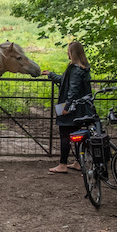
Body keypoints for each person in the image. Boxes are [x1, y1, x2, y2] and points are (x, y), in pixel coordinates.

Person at [41, 41, 93, 174]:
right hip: (81, 107)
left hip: (71, 107)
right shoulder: (82, 68)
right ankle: (77, 162)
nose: (67, 54)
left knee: (65, 134)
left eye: (68, 52)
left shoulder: (75, 69)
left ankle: (62, 164)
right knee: (77, 134)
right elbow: (65, 81)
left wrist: (67, 107)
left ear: (73, 53)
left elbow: (73, 89)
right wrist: (50, 74)